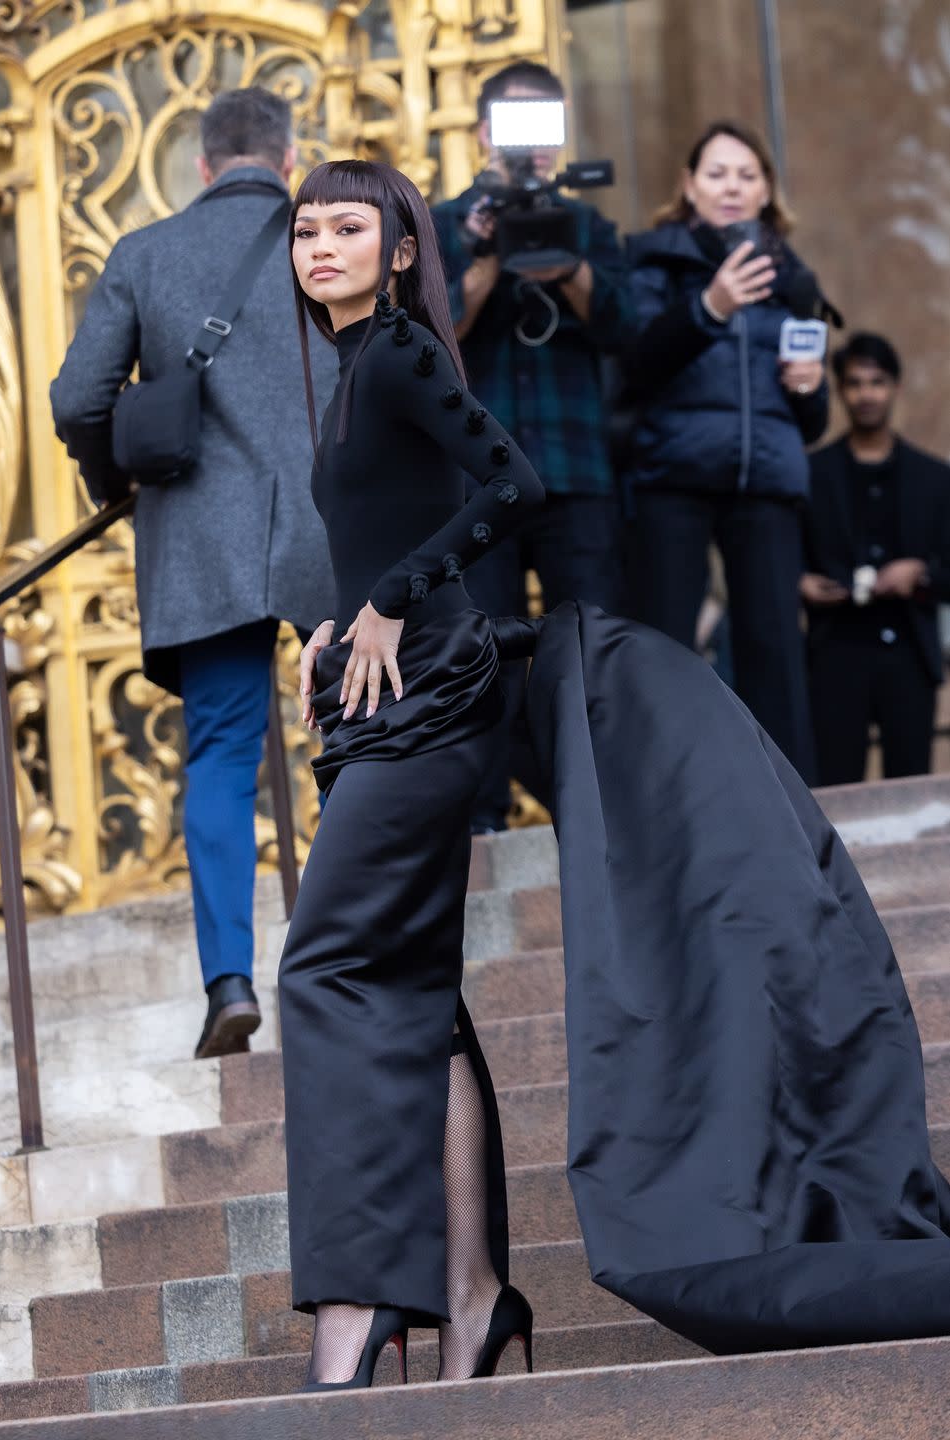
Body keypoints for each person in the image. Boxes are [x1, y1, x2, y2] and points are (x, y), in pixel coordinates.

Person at [278, 156, 950, 1393]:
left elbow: (513, 485)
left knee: (327, 970)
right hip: (388, 705)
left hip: (433, 706)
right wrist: (341, 615)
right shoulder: (349, 373)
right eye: (305, 228)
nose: (320, 246)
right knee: (411, 995)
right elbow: (397, 515)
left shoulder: (398, 352)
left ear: (403, 247)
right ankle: (474, 1304)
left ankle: (367, 1298)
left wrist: (388, 598)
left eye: (348, 228)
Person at [51, 89, 335, 1059]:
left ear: (203, 167)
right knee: (355, 737)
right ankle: (356, 959)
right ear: (288, 160)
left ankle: (227, 984)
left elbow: (77, 396)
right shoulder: (328, 240)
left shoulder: (145, 253)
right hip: (329, 526)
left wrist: (112, 479)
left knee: (220, 755)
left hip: (200, 537)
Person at [431, 60, 633, 831]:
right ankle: (483, 816)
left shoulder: (590, 227)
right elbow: (427, 340)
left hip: (574, 472)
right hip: (479, 478)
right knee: (479, 647)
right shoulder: (443, 226)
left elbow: (628, 331)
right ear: (483, 135)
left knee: (589, 638)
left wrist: (570, 268)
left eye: (543, 127)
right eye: (513, 127)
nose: (530, 148)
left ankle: (605, 803)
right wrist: (485, 262)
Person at [625, 119, 830, 781]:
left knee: (773, 646)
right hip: (672, 476)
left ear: (767, 190)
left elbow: (812, 422)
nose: (731, 187)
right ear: (688, 186)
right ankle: (671, 791)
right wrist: (707, 308)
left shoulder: (794, 279)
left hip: (765, 478)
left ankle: (789, 798)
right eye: (716, 174)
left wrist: (808, 387)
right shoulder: (652, 259)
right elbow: (633, 363)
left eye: (746, 175)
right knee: (666, 645)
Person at [803, 332, 950, 784]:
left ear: (895, 388)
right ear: (841, 390)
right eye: (855, 383)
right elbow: (785, 555)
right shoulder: (812, 472)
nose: (866, 395)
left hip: (909, 651)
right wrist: (800, 583)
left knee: (911, 791)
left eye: (877, 382)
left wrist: (921, 573)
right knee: (832, 786)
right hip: (834, 652)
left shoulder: (935, 477)